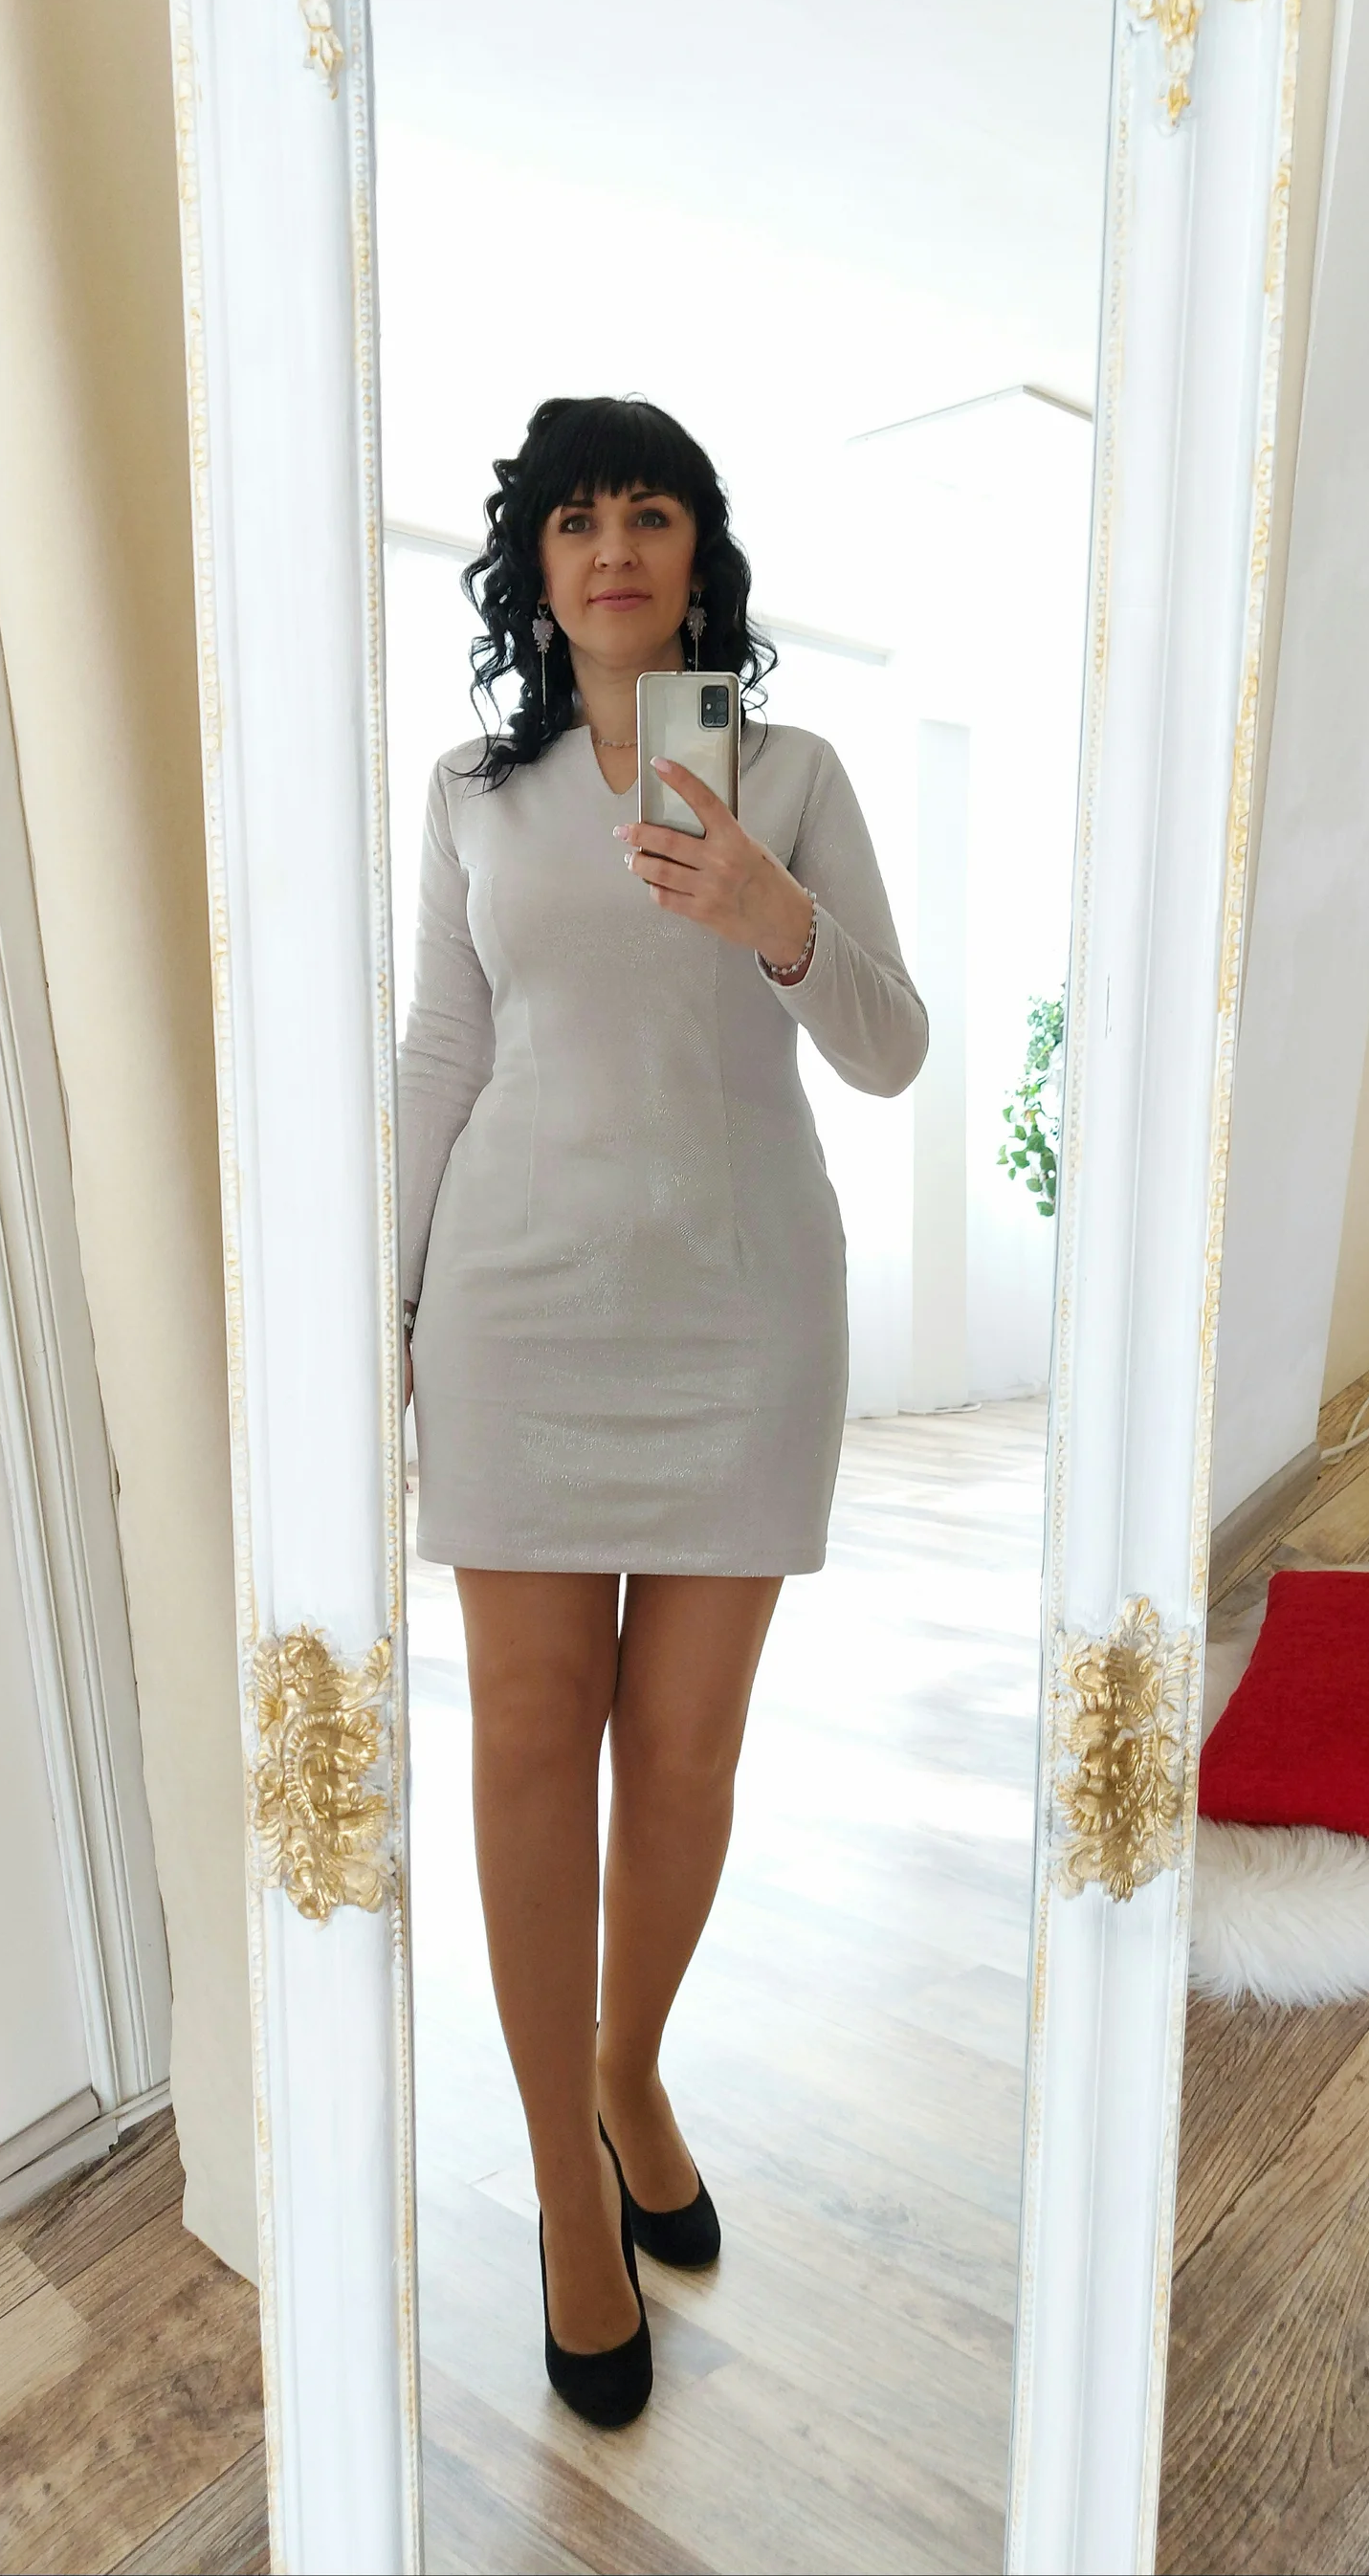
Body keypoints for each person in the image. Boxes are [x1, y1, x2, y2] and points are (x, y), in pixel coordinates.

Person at [398, 394, 927, 2427]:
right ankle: (566, 2189)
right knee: (532, 1740)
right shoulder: (473, 791)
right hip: (520, 1312)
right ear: (533, 568)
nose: (612, 545)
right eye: (573, 518)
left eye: (649, 511)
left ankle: (630, 2075)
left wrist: (772, 917)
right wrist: (388, 1306)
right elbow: (440, 1054)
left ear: (699, 553)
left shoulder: (789, 775)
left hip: (743, 1312)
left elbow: (890, 1046)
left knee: (685, 1751)